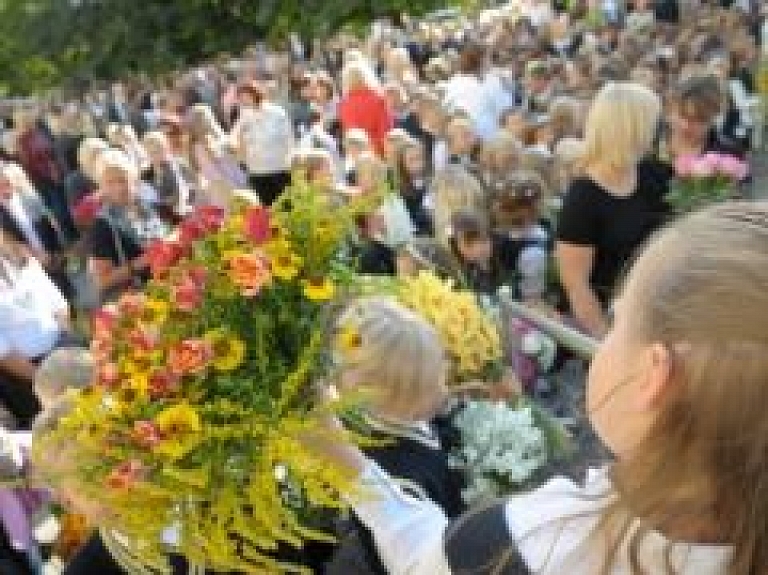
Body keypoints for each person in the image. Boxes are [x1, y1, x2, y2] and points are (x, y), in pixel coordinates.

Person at [310, 200, 768, 574]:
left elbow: (421, 560)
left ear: (654, 374)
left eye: (618, 320)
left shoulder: (536, 544)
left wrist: (346, 462)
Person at [324, 296, 465, 574]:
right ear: (382, 397)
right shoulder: (392, 472)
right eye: (428, 387)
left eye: (441, 375)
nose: (443, 390)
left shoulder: (403, 418)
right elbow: (408, 549)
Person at [556, 82, 670, 337]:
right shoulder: (583, 198)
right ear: (632, 128)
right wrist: (607, 340)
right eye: (653, 122)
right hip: (613, 322)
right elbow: (577, 286)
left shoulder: (654, 173)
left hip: (659, 312)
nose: (658, 129)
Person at [86, 149, 166, 305]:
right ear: (101, 186)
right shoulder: (102, 226)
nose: (119, 187)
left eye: (123, 179)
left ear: (133, 178)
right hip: (146, 301)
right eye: (110, 183)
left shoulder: (149, 205)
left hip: (173, 282)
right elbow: (102, 280)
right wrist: (141, 262)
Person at [230, 81, 294, 206]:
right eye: (241, 98)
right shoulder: (244, 117)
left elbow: (289, 139)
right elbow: (233, 138)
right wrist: (238, 144)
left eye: (246, 97)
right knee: (266, 209)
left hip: (279, 168)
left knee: (286, 206)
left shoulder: (277, 113)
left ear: (255, 94)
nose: (244, 101)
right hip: (257, 171)